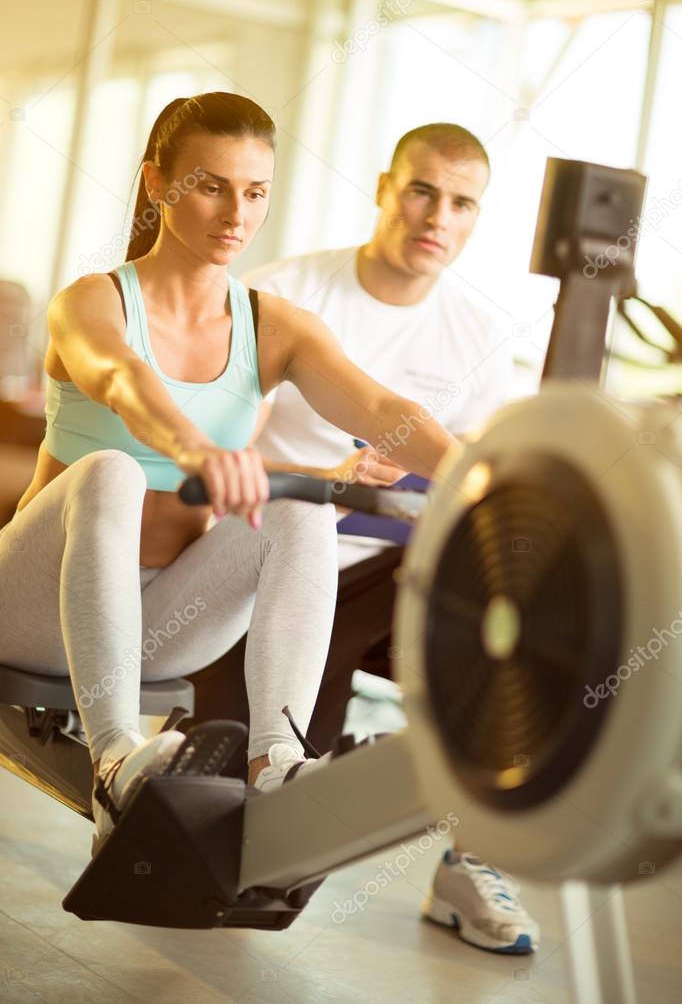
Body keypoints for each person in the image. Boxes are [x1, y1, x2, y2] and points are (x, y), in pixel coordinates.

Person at [0, 94, 455, 853]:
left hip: (164, 627)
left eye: (255, 192)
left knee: (306, 502)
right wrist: (195, 451)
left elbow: (380, 406)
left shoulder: (271, 323)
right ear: (157, 183)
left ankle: (278, 767)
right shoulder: (92, 302)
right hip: (31, 611)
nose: (235, 213)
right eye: (211, 186)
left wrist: (489, 477)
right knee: (111, 470)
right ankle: (114, 759)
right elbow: (119, 379)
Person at [241, 123, 539, 955]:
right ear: (383, 187)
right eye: (420, 190)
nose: (436, 216)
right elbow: (228, 454)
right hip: (275, 559)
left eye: (461, 202)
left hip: (392, 578)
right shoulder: (287, 292)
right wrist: (328, 479)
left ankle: (473, 857)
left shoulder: (481, 333)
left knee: (513, 620)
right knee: (266, 851)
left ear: (477, 217)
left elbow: (469, 486)